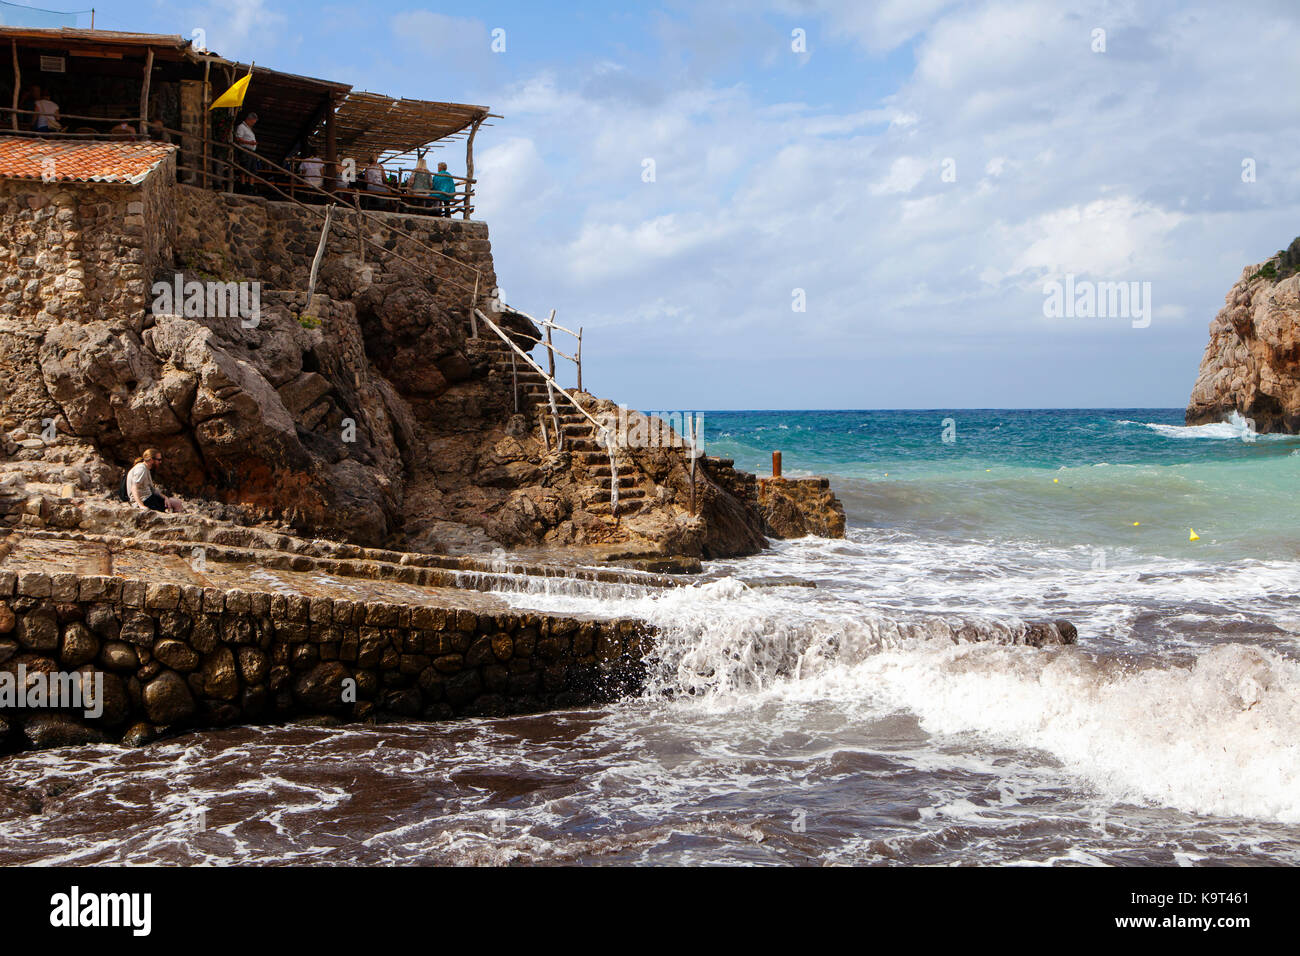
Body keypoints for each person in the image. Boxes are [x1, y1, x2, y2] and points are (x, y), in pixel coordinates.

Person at [119, 449, 185, 513]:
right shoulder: (141, 469)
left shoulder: (146, 469)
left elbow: (152, 489)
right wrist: (141, 505)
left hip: (149, 498)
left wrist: (165, 498)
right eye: (158, 460)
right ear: (151, 460)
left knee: (176, 502)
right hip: (145, 500)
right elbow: (134, 488)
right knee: (177, 504)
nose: (160, 462)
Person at [234, 112, 260, 191]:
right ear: (249, 119)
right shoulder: (241, 127)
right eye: (253, 122)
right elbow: (238, 139)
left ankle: (250, 188)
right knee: (244, 170)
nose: (253, 124)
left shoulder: (249, 129)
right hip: (245, 151)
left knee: (252, 170)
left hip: (251, 152)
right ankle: (243, 187)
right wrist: (250, 143)